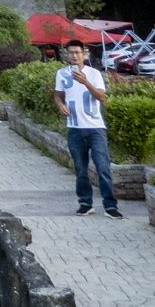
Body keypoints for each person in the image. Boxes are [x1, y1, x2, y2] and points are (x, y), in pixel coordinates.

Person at [51, 39, 120, 218]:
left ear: (84, 54)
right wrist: (60, 105)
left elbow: (102, 97)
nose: (74, 56)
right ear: (67, 54)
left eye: (77, 52)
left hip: (95, 128)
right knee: (80, 169)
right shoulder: (61, 74)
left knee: (102, 167)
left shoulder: (94, 73)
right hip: (74, 128)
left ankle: (110, 206)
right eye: (70, 53)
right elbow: (58, 95)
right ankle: (85, 203)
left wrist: (86, 82)